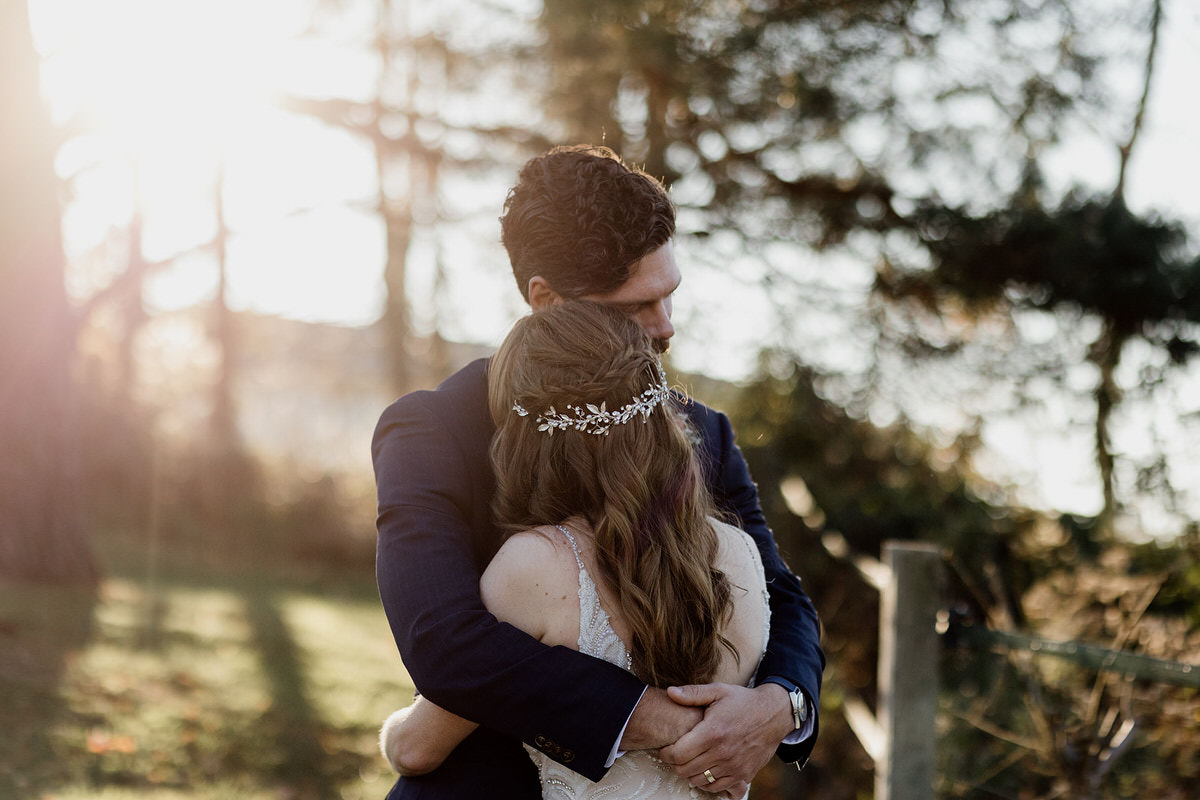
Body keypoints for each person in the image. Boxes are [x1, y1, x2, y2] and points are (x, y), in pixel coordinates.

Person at [372, 145, 823, 800]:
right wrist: (663, 722)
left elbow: (783, 596)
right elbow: (442, 642)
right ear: (547, 299)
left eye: (669, 296)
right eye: (636, 306)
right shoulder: (433, 430)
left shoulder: (704, 433)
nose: (665, 328)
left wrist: (781, 708)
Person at [380, 301, 774, 799]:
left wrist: (394, 728)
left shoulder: (538, 563)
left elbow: (415, 749)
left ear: (525, 437)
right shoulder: (741, 552)